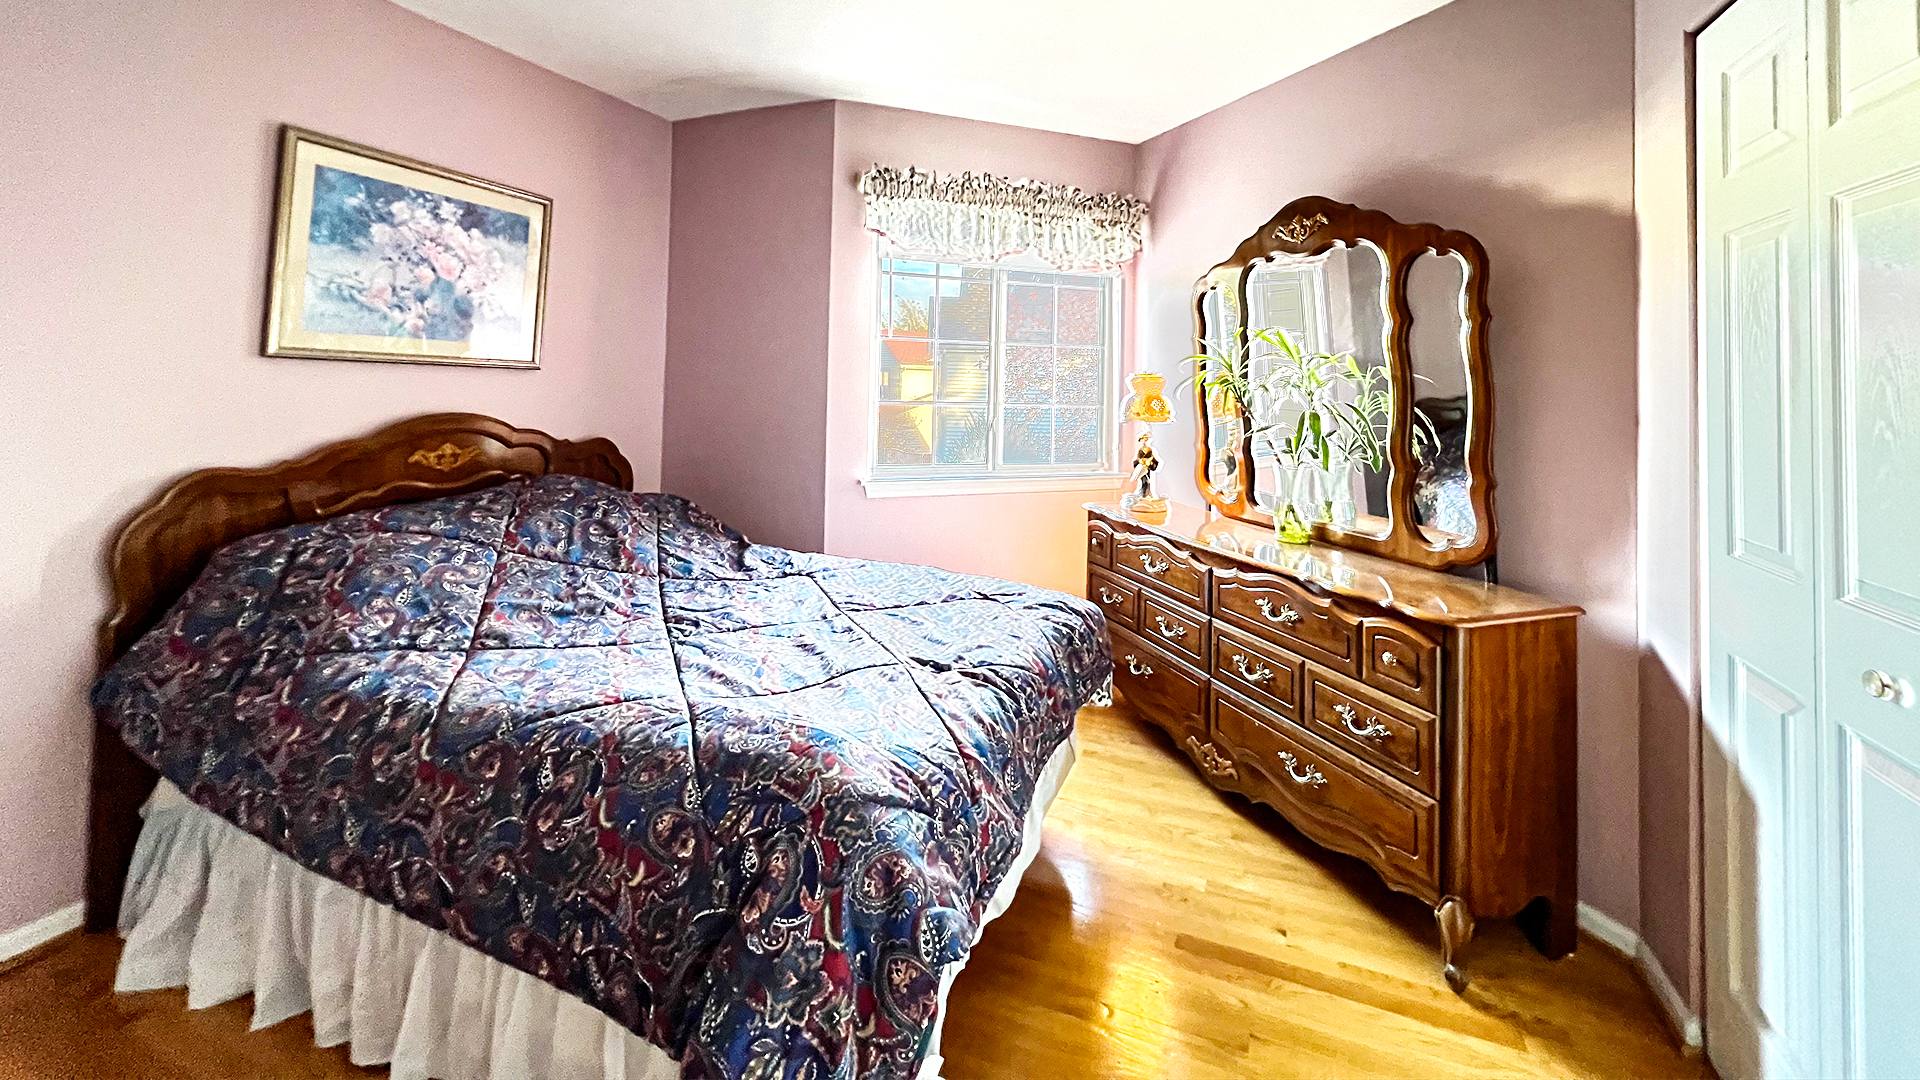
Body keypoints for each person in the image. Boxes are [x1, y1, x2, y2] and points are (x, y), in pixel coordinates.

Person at [1128, 432, 1160, 501]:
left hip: (1147, 467)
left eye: (1146, 439)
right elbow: (1137, 458)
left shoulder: (1149, 449)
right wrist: (1140, 462)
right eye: (1143, 440)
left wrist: (1150, 462)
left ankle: (1147, 494)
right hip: (1142, 466)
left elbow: (1152, 458)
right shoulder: (1140, 449)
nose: (1144, 441)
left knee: (1148, 481)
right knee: (1142, 480)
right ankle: (1142, 494)